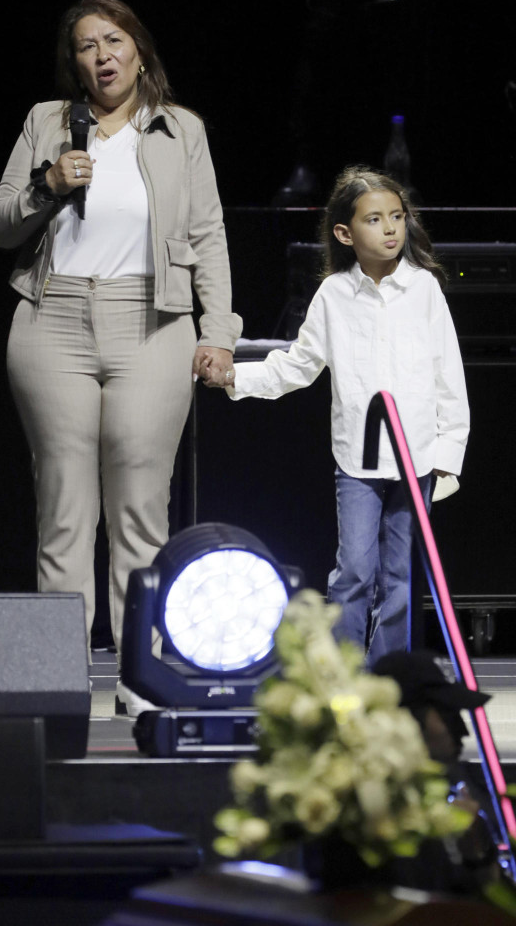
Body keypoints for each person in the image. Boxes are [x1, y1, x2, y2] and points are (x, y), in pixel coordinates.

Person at [0, 0, 242, 716]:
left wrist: (218, 333)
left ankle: (142, 680)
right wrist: (47, 183)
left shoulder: (180, 129)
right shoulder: (46, 122)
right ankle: (61, 683)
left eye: (114, 40)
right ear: (73, 63)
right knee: (64, 512)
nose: (102, 56)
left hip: (152, 322)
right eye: (86, 46)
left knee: (139, 511)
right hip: (53, 320)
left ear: (138, 49)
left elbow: (209, 235)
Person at [203, 166, 469, 665]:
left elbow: (448, 376)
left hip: (416, 458)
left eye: (397, 216)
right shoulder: (334, 295)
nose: (390, 228)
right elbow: (298, 365)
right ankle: (343, 671)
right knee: (354, 570)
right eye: (375, 219)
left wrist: (448, 452)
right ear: (346, 233)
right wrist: (235, 376)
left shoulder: (424, 290)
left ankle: (388, 674)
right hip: (357, 462)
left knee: (401, 575)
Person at [372, 649, 502, 891]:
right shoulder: (372, 814)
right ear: (408, 719)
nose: (462, 731)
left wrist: (475, 850)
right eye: (447, 714)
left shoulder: (440, 794)